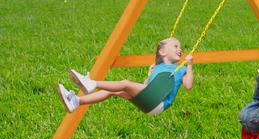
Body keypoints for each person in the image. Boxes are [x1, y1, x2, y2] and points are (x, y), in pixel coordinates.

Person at [57, 37, 194, 115]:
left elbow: (188, 86)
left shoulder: (180, 69)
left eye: (180, 47)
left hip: (158, 103)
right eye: (175, 46)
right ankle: (76, 101)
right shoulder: (157, 67)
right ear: (162, 52)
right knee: (113, 91)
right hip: (149, 103)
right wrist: (150, 74)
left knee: (125, 83)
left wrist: (189, 65)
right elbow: (147, 85)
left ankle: (91, 83)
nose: (180, 49)